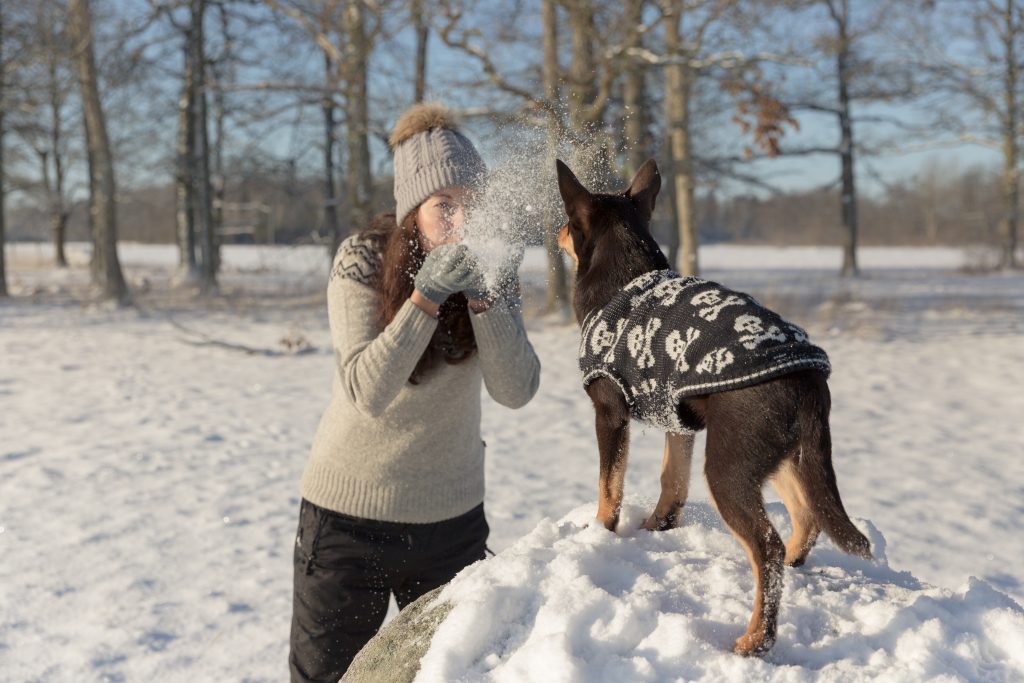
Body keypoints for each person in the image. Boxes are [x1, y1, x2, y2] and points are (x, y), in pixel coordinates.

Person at [288, 102, 541, 683]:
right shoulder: (362, 260)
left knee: (456, 674)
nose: (460, 222)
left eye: (472, 205)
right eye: (442, 207)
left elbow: (516, 389)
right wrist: (423, 299)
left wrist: (487, 302)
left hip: (452, 524)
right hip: (349, 521)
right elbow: (365, 392)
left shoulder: (493, 266)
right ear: (412, 213)